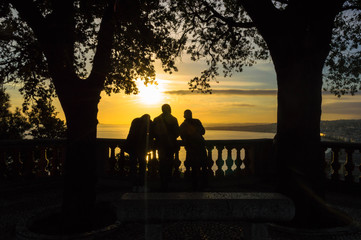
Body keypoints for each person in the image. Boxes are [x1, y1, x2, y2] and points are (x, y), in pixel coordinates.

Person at [153, 104, 179, 191]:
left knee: (162, 163)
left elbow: (153, 132)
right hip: (170, 145)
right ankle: (168, 182)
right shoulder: (174, 119)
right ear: (169, 109)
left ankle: (163, 183)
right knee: (169, 163)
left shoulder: (156, 119)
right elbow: (177, 133)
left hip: (160, 145)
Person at [180, 109, 208, 190]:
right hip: (198, 147)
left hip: (192, 148)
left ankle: (195, 185)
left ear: (184, 116)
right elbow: (203, 132)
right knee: (202, 166)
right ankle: (202, 184)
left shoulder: (183, 125)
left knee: (195, 167)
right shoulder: (196, 122)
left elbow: (182, 136)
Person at [124, 114, 152, 192]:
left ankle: (134, 186)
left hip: (132, 147)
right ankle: (141, 185)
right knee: (142, 168)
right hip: (140, 149)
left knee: (133, 167)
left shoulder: (135, 121)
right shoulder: (145, 125)